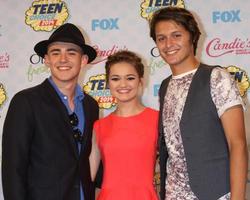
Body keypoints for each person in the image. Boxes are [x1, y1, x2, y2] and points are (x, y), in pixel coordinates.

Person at [149, 7, 248, 200]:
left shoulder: (217, 77)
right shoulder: (165, 86)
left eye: (176, 35)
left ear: (192, 37)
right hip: (173, 194)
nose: (168, 44)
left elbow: (238, 144)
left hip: (216, 193)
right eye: (161, 38)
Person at [2, 23, 99, 200]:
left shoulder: (91, 105)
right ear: (46, 59)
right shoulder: (26, 102)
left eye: (71, 52)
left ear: (83, 60)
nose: (63, 59)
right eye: (56, 53)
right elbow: (12, 169)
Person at [89, 50, 159, 200]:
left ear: (141, 81)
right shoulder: (99, 126)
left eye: (130, 78)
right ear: (108, 83)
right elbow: (88, 176)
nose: (123, 84)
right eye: (115, 78)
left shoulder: (157, 119)